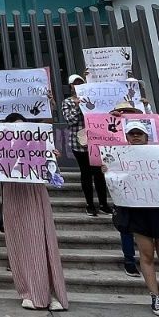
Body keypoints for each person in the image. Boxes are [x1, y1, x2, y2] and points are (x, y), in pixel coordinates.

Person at [105, 121, 159, 317]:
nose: (135, 137)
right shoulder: (121, 158)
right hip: (138, 210)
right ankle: (155, 296)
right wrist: (108, 172)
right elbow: (116, 182)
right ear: (127, 137)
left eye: (139, 134)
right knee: (146, 255)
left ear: (146, 136)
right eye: (131, 134)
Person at [0, 110, 69, 311]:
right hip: (13, 194)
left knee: (43, 241)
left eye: (22, 125)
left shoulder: (38, 144)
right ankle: (27, 291)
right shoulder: (0, 145)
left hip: (34, 193)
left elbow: (54, 178)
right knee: (18, 242)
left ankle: (52, 292)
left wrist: (52, 159)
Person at [62, 74, 111, 217]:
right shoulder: (68, 102)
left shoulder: (95, 99)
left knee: (99, 173)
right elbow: (70, 120)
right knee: (86, 173)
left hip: (96, 141)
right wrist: (78, 106)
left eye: (80, 82)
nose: (77, 85)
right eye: (74, 83)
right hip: (79, 143)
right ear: (70, 86)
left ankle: (103, 204)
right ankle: (90, 204)